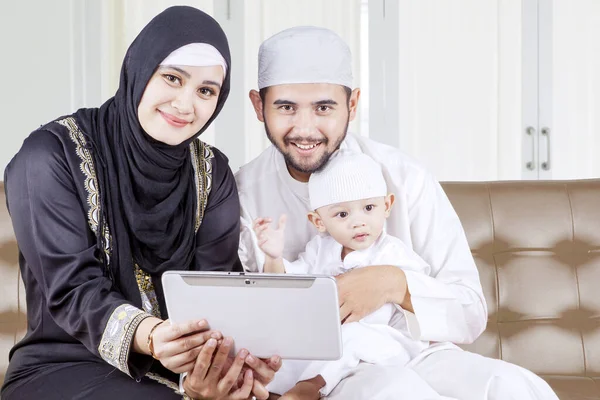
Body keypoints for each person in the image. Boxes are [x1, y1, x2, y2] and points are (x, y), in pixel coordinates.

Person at [236, 26, 559, 399]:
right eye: (286, 107)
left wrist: (392, 283)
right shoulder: (242, 193)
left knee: (515, 386)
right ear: (259, 107)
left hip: (416, 352)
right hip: (324, 369)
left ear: (352, 105)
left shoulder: (405, 177)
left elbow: (469, 312)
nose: (305, 128)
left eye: (324, 107)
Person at [1, 6, 280, 400]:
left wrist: (223, 369)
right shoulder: (49, 157)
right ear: (139, 67)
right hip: (63, 368)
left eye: (205, 90)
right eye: (172, 78)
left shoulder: (212, 173)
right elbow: (72, 288)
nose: (186, 105)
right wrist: (150, 336)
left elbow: (219, 290)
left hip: (178, 375)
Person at [251, 150, 455, 400]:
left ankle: (310, 386)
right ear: (318, 221)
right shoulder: (320, 250)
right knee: (287, 346)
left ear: (387, 205)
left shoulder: (394, 253)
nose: (358, 222)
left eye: (369, 207)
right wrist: (273, 256)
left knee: (354, 335)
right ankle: (269, 390)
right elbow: (288, 286)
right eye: (342, 214)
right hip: (330, 342)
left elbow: (422, 299)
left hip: (386, 343)